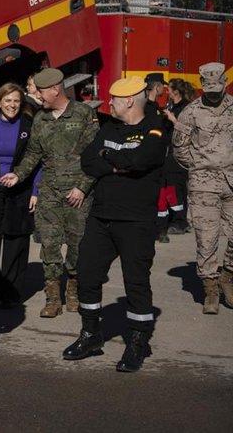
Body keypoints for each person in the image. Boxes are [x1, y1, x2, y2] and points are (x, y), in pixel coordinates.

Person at [63, 76, 166, 373]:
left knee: (135, 282)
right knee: (86, 273)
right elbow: (88, 161)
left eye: (115, 100)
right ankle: (90, 334)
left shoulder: (154, 126)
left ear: (130, 101)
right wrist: (117, 161)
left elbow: (145, 158)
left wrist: (110, 158)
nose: (110, 103)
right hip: (101, 217)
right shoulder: (109, 127)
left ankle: (137, 341)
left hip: (136, 220)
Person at [0, 69, 98, 318]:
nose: (36, 95)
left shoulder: (84, 113)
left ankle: (73, 292)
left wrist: (82, 187)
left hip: (78, 193)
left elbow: (95, 155)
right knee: (50, 246)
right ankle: (53, 297)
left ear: (55, 89)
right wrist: (18, 174)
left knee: (77, 245)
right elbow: (33, 153)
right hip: (50, 192)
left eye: (40, 91)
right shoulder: (41, 119)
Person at [172, 62, 233, 314]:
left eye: (217, 88)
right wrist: (198, 167)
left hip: (232, 180)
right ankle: (210, 288)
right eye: (208, 89)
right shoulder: (191, 112)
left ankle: (228, 275)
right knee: (206, 238)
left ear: (225, 83)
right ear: (201, 85)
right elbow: (179, 147)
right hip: (204, 184)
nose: (213, 94)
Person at [0, 83, 40, 308]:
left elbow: (37, 160)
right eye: (8, 100)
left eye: (16, 101)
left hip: (20, 189)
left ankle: (10, 292)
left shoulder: (28, 124)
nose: (12, 105)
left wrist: (36, 190)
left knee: (16, 239)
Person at [157, 78, 195, 240]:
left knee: (177, 187)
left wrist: (173, 119)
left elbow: (189, 130)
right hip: (170, 152)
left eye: (169, 90)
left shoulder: (187, 108)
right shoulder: (172, 106)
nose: (167, 92)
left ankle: (180, 222)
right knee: (171, 186)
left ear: (176, 92)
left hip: (181, 154)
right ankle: (176, 218)